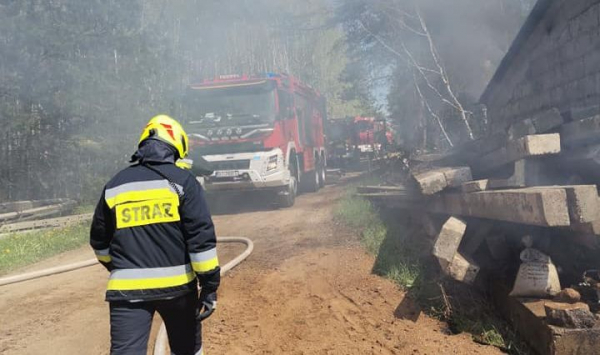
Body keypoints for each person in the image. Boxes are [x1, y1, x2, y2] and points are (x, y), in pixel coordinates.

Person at [90, 114, 220, 355]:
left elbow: (99, 243)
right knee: (186, 350)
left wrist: (121, 269)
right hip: (179, 289)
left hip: (126, 291)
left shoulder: (115, 185)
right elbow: (201, 241)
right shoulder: (183, 183)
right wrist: (210, 286)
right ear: (177, 145)